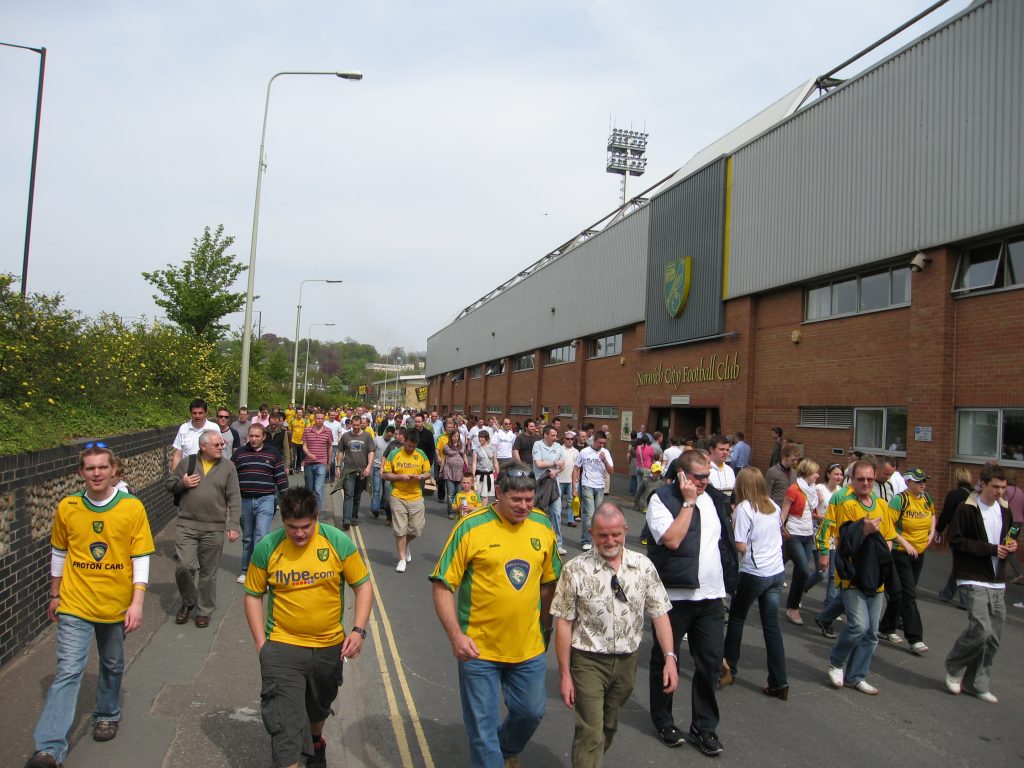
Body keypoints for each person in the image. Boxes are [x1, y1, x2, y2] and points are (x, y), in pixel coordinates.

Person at [24, 444, 155, 768]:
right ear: (81, 473)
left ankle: (107, 713)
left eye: (102, 467)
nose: (96, 473)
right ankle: (49, 749)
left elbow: (140, 557)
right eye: (90, 468)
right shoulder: (68, 507)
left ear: (113, 470)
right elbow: (59, 553)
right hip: (75, 603)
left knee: (111, 664)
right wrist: (55, 595)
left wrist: (137, 602)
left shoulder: (131, 507)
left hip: (115, 605)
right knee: (68, 670)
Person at [430, 464, 561, 768]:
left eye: (530, 499)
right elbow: (442, 584)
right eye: (517, 499)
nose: (524, 506)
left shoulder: (541, 525)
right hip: (479, 650)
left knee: (531, 712)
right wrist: (456, 636)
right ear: (498, 493)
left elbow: (549, 582)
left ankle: (504, 749)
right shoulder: (471, 527)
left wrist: (546, 628)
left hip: (528, 647)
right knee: (482, 728)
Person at [243, 488, 374, 768]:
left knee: (318, 706)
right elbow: (253, 594)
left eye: (306, 526)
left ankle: (316, 743)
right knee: (286, 725)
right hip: (282, 646)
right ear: (283, 521)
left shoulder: (336, 541)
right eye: (292, 527)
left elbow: (363, 586)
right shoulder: (268, 546)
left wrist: (358, 630)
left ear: (316, 517)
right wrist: (261, 644)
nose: (299, 533)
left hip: (328, 647)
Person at [550, 503, 676, 767]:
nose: (610, 541)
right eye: (603, 535)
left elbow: (660, 613)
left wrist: (670, 658)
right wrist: (564, 674)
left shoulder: (643, 566)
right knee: (591, 731)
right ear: (592, 533)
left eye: (615, 534)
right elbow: (563, 623)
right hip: (587, 661)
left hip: (627, 663)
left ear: (625, 530)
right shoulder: (574, 570)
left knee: (607, 727)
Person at [645, 449, 738, 757]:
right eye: (698, 477)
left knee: (711, 663)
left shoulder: (714, 498)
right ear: (683, 475)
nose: (704, 482)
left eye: (707, 476)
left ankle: (704, 726)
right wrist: (688, 502)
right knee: (665, 659)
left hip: (711, 595)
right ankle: (663, 719)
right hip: (675, 596)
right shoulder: (662, 500)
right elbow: (672, 539)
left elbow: (723, 540)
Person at [943, 464, 1017, 703]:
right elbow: (955, 540)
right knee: (980, 630)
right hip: (972, 576)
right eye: (995, 487)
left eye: (1003, 488)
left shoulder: (1005, 510)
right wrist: (992, 549)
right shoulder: (967, 509)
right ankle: (954, 667)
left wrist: (1010, 546)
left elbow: (1006, 539)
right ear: (983, 484)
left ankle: (976, 683)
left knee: (993, 638)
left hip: (997, 580)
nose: (1000, 492)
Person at [825, 459, 895, 695]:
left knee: (871, 633)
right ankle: (836, 662)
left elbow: (888, 538)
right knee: (857, 626)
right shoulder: (847, 505)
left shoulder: (882, 505)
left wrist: (885, 559)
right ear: (851, 481)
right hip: (852, 577)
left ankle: (856, 676)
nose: (865, 483)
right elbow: (846, 543)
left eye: (869, 479)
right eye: (860, 479)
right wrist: (864, 531)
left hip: (875, 577)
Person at [720, 467, 788, 699]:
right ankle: (780, 681)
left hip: (754, 571)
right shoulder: (772, 505)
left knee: (737, 618)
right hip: (776, 571)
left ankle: (729, 668)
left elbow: (739, 544)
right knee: (771, 627)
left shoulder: (744, 509)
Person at [167, 430, 241, 628]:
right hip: (187, 524)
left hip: (214, 528)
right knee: (184, 566)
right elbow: (170, 485)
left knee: (208, 573)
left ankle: (204, 610)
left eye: (221, 444)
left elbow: (234, 497)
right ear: (203, 447)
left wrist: (233, 524)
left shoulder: (228, 467)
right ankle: (188, 601)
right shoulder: (187, 463)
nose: (221, 447)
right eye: (216, 445)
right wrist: (183, 483)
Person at [876, 467, 936, 652]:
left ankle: (886, 627)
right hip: (901, 552)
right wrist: (905, 543)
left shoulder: (926, 499)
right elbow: (888, 526)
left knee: (899, 593)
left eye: (924, 481)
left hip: (919, 552)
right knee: (909, 595)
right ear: (908, 482)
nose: (922, 485)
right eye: (918, 481)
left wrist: (931, 534)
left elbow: (933, 516)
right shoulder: (899, 500)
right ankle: (915, 638)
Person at [232, 423, 289, 584]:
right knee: (248, 538)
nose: (253, 439)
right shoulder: (240, 454)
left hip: (266, 499)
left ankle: (261, 572)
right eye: (251, 436)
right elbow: (230, 475)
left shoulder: (273, 453)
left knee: (262, 536)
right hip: (245, 500)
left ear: (264, 437)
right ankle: (245, 570)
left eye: (257, 436)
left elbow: (280, 477)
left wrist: (286, 499)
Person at [382, 429, 432, 572]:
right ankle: (402, 559)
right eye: (409, 446)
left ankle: (405, 544)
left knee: (416, 529)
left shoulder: (421, 454)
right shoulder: (394, 454)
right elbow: (385, 475)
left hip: (416, 496)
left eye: (414, 447)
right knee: (400, 529)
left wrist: (422, 477)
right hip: (397, 495)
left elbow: (428, 472)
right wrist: (400, 477)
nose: (411, 449)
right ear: (405, 441)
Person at [781, 458, 823, 625]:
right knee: (805, 571)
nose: (818, 476)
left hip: (808, 535)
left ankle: (793, 608)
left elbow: (809, 512)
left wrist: (818, 502)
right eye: (815, 473)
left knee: (800, 572)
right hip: (794, 534)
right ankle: (793, 604)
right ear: (807, 473)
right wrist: (781, 528)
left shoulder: (812, 490)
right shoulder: (794, 489)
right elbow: (784, 512)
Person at [937, 467, 976, 605]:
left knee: (960, 566)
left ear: (957, 478)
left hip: (957, 534)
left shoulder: (954, 494)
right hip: (973, 534)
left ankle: (964, 600)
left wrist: (938, 530)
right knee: (961, 564)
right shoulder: (976, 494)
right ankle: (947, 594)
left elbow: (946, 514)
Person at [574, 431, 614, 552]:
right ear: (594, 440)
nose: (602, 445)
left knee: (597, 516)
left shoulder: (605, 453)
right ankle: (585, 541)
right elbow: (576, 468)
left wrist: (604, 461)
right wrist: (574, 486)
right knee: (589, 514)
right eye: (600, 442)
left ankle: (596, 540)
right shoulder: (584, 452)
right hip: (587, 485)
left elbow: (611, 471)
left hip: (600, 487)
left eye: (604, 443)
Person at [335, 416, 375, 530]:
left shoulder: (367, 436)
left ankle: (354, 517)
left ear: (361, 424)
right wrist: (338, 466)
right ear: (351, 424)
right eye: (354, 425)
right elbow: (341, 451)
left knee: (357, 495)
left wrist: (368, 467)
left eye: (358, 425)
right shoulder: (346, 436)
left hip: (362, 470)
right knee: (348, 494)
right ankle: (346, 519)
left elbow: (371, 452)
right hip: (348, 470)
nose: (356, 427)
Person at [533, 424, 568, 555]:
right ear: (545, 435)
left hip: (554, 484)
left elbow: (562, 465)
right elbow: (538, 463)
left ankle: (557, 543)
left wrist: (556, 471)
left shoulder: (558, 447)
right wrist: (554, 464)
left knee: (556, 513)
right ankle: (536, 540)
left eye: (555, 435)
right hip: (540, 483)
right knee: (537, 513)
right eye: (552, 435)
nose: (555, 438)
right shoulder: (538, 445)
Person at [171, 397, 219, 471]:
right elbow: (177, 454)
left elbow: (219, 451)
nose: (197, 416)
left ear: (206, 413)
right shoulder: (184, 428)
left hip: (209, 474)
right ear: (190, 413)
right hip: (187, 474)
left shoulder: (214, 428)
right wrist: (176, 475)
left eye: (200, 413)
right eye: (194, 413)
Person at [302, 411, 333, 513]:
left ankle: (316, 514)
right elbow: (304, 445)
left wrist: (329, 463)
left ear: (324, 419)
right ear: (314, 419)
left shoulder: (328, 431)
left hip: (321, 463)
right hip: (308, 463)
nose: (320, 420)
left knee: (318, 489)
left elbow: (329, 447)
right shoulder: (307, 430)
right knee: (309, 490)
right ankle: (308, 511)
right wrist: (309, 454)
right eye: (318, 418)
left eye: (322, 419)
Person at [371, 424, 397, 518]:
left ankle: (382, 507)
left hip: (387, 470)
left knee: (386, 490)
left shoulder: (393, 443)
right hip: (377, 467)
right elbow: (372, 451)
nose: (388, 437)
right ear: (385, 432)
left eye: (390, 436)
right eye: (387, 435)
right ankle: (375, 508)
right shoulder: (377, 439)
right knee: (376, 489)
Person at [558, 431, 580, 529]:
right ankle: (556, 518)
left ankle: (570, 520)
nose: (569, 441)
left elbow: (578, 467)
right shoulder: (559, 449)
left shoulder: (576, 451)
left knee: (571, 501)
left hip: (571, 480)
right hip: (560, 479)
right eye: (567, 439)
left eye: (571, 439)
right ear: (564, 439)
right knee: (558, 500)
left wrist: (577, 480)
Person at [471, 428, 497, 506]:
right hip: (479, 474)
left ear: (487, 438)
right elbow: (474, 463)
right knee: (477, 494)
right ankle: (476, 511)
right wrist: (473, 476)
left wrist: (498, 473)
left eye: (482, 437)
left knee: (485, 495)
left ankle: (483, 511)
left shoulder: (493, 448)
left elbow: (495, 462)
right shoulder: (476, 449)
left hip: (489, 474)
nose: (480, 439)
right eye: (479, 437)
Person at [707, 436, 736, 504]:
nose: (725, 452)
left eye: (727, 450)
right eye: (721, 449)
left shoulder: (730, 471)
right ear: (711, 449)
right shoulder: (705, 470)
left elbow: (732, 497)